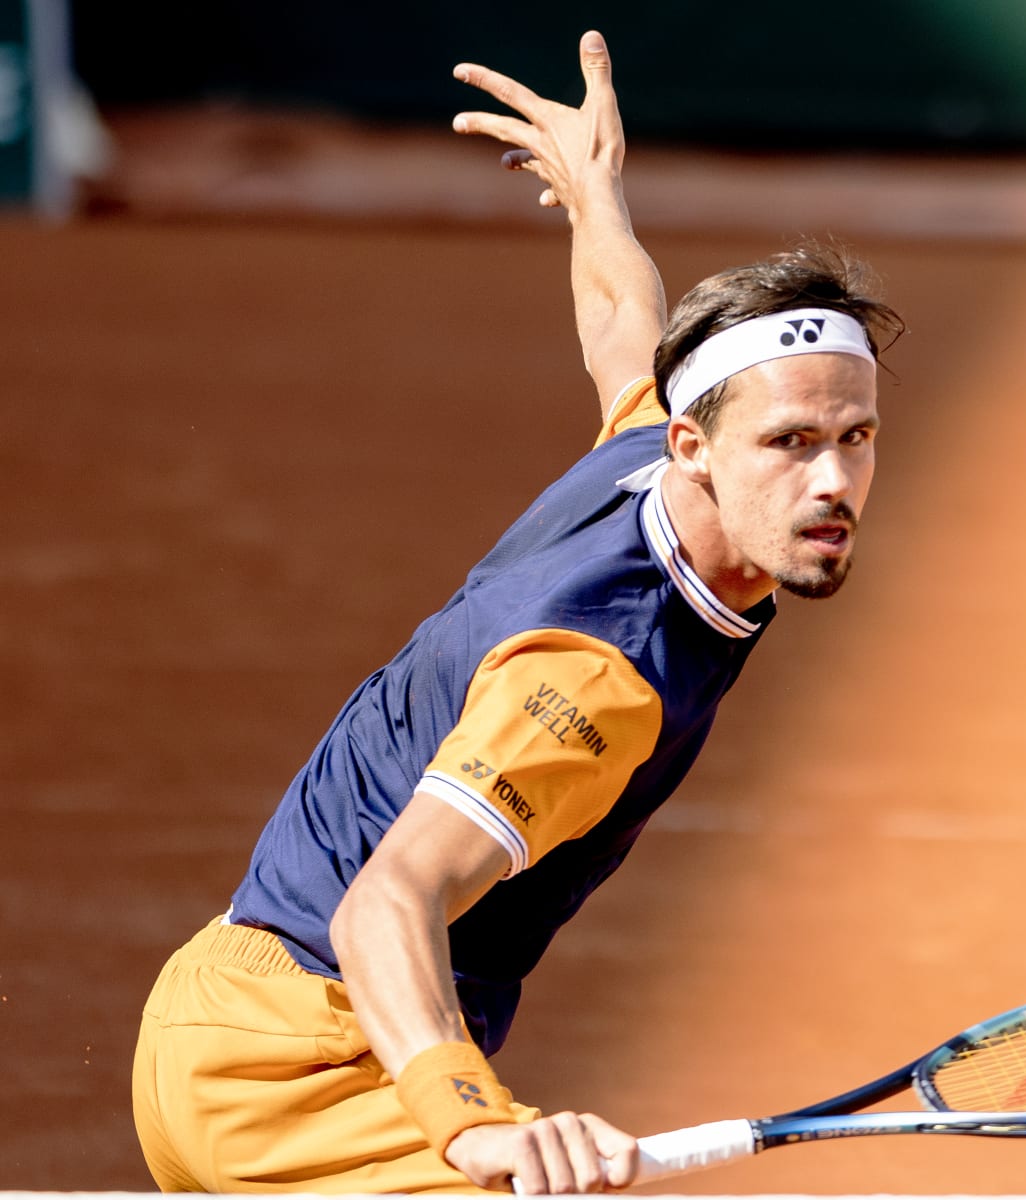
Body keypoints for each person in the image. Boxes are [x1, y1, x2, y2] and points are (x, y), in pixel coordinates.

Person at [130, 30, 904, 1195]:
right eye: (791, 444)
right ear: (700, 450)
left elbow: (618, 324)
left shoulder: (647, 454)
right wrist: (471, 1123)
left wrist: (593, 196)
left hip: (220, 1010)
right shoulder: (599, 672)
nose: (833, 482)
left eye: (855, 438)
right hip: (305, 1070)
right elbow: (389, 899)